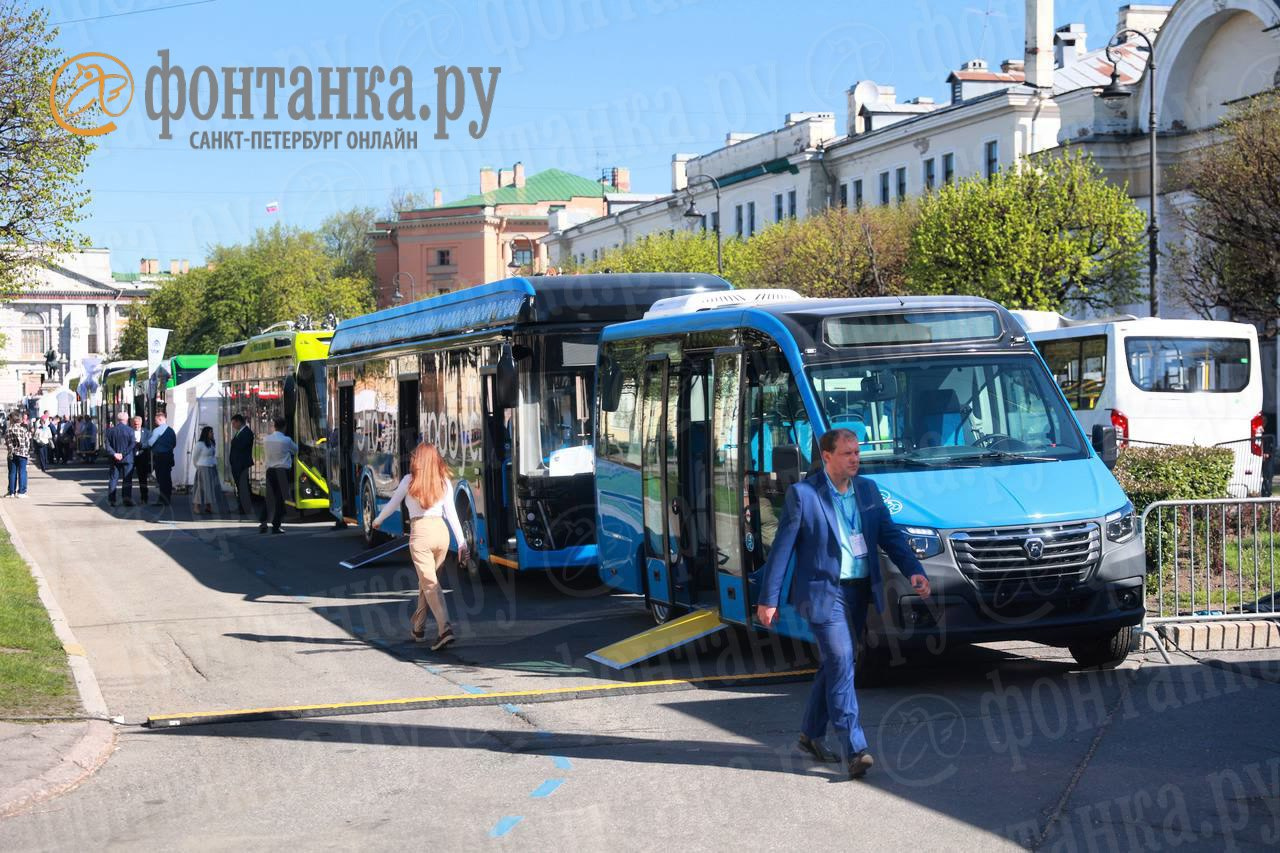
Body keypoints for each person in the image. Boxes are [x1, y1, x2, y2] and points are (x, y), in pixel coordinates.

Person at [756, 428, 931, 780]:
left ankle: (809, 734)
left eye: (857, 452)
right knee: (840, 659)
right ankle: (856, 748)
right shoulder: (803, 495)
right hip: (823, 592)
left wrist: (914, 570)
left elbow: (890, 536)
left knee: (838, 662)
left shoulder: (867, 490)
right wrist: (768, 599)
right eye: (848, 453)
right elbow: (782, 548)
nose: (855, 459)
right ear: (827, 456)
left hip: (858, 590)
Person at [372, 443, 468, 650]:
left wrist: (378, 520)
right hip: (442, 534)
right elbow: (451, 514)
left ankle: (445, 629)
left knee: (430, 584)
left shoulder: (409, 481)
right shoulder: (444, 482)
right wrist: (461, 542)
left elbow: (392, 504)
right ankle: (418, 627)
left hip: (421, 534)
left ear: (418, 461)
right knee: (428, 583)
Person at [259, 416, 296, 534]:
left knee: (269, 498)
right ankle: (276, 525)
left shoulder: (266, 439)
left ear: (274, 426)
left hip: (270, 471)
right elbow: (296, 450)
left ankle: (263, 522)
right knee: (280, 500)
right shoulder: (287, 440)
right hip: (283, 471)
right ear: (284, 427)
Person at [191, 425, 227, 514]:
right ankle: (197, 506)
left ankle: (208, 506)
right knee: (202, 488)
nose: (212, 434)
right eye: (211, 432)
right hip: (203, 468)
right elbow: (195, 457)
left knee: (211, 488)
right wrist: (198, 466)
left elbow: (212, 455)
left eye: (212, 432)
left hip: (212, 467)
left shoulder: (211, 443)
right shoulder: (199, 444)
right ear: (206, 433)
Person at [104, 411, 136, 507]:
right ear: (126, 419)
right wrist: (123, 454)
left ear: (118, 420)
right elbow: (132, 444)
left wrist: (114, 454)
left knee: (113, 479)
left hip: (114, 459)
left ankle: (112, 500)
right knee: (127, 479)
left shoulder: (110, 430)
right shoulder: (130, 430)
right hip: (127, 458)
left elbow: (107, 445)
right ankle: (126, 500)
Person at [228, 413, 254, 517]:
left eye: (234, 423)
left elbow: (241, 448)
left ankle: (245, 508)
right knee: (239, 486)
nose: (233, 425)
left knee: (243, 486)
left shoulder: (247, 432)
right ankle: (241, 506)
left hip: (241, 464)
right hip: (236, 464)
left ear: (239, 422)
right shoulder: (239, 432)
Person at [148, 411, 176, 505]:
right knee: (167, 478)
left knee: (161, 479)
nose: (155, 422)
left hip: (160, 457)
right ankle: (167, 497)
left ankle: (162, 499)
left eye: (156, 420)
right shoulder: (171, 430)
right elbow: (174, 444)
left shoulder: (157, 430)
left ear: (160, 419)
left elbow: (150, 442)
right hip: (169, 456)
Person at [5, 412, 31, 498]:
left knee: (12, 473)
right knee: (22, 472)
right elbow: (27, 442)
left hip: (12, 454)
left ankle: (11, 492)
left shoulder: (8, 430)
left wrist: (11, 451)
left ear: (11, 419)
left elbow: (8, 443)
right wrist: (26, 452)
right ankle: (21, 492)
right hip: (22, 453)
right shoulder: (23, 429)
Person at [129, 416, 151, 504]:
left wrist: (141, 445)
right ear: (132, 424)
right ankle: (127, 498)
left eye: (138, 424)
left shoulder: (147, 432)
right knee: (127, 478)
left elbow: (149, 443)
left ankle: (144, 497)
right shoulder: (129, 431)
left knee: (143, 479)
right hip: (131, 457)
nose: (136, 426)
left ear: (141, 423)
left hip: (142, 458)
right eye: (134, 424)